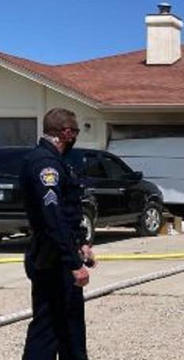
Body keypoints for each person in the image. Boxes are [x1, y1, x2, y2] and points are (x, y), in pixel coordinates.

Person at [20, 108, 96, 360]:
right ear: (65, 132)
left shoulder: (58, 161)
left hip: (62, 255)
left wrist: (82, 243)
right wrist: (73, 263)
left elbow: (69, 211)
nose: (75, 137)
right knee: (48, 328)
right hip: (52, 259)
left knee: (70, 326)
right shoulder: (45, 164)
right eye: (74, 132)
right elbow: (52, 218)